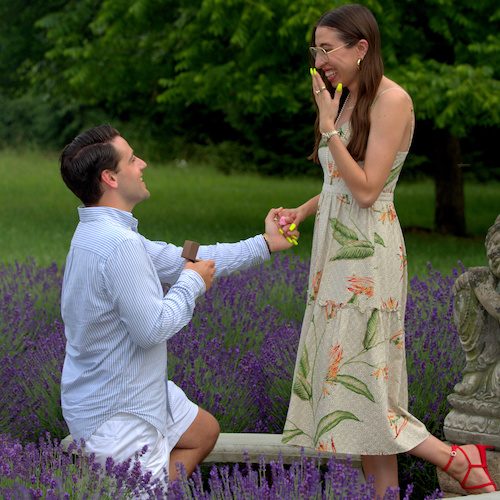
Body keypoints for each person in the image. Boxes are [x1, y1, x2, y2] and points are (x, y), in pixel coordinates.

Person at [279, 4, 497, 497]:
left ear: (362, 47)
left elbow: (367, 190)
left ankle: (454, 458)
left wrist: (328, 125)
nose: (319, 59)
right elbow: (338, 181)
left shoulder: (391, 100)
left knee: (366, 386)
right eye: (315, 49)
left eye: (328, 48)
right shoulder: (346, 97)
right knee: (348, 382)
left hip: (367, 257)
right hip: (333, 257)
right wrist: (302, 211)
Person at [59, 124, 294, 486]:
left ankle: (148, 489)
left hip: (126, 390)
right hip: (119, 413)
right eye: (133, 159)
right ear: (110, 177)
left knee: (202, 432)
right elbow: (151, 329)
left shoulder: (103, 234)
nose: (144, 164)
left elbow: (185, 258)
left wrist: (265, 243)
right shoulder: (118, 245)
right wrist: (191, 283)